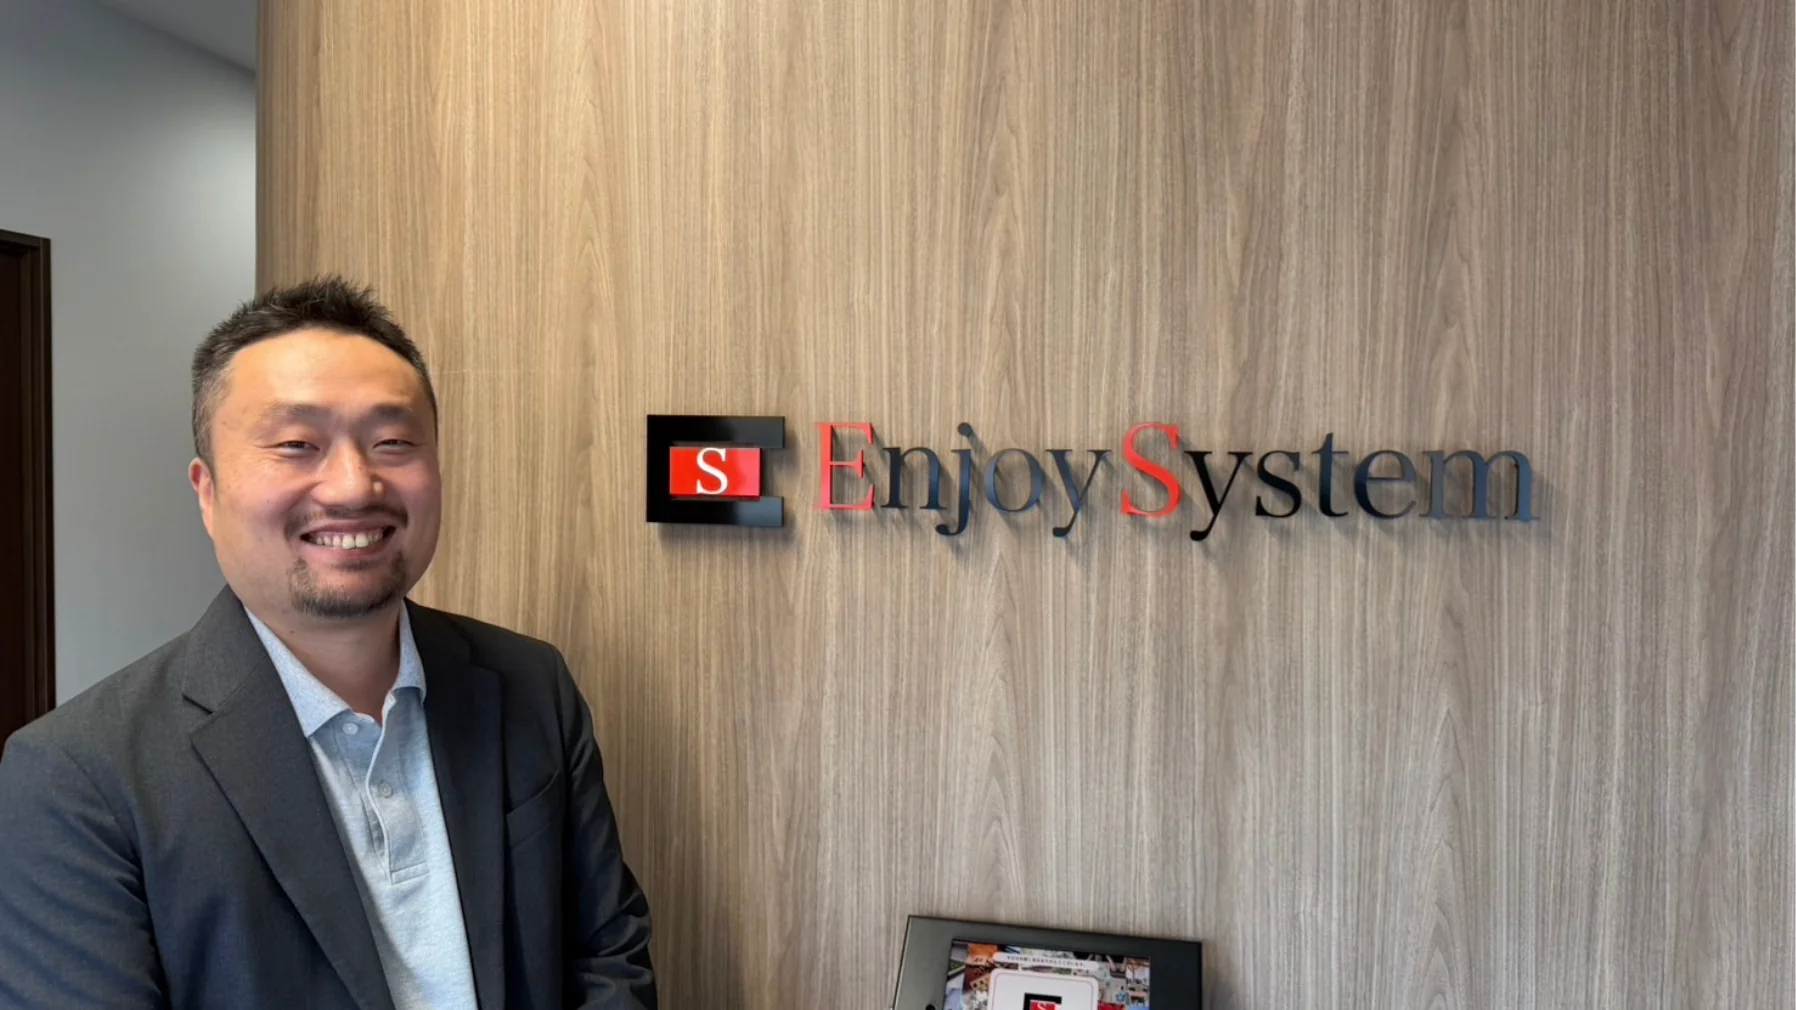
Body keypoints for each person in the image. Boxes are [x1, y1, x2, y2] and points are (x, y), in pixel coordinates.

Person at [0, 278, 656, 1009]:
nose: (352, 486)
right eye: (296, 445)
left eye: (393, 442)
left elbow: (607, 954)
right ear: (207, 493)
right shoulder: (76, 777)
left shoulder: (530, 682)